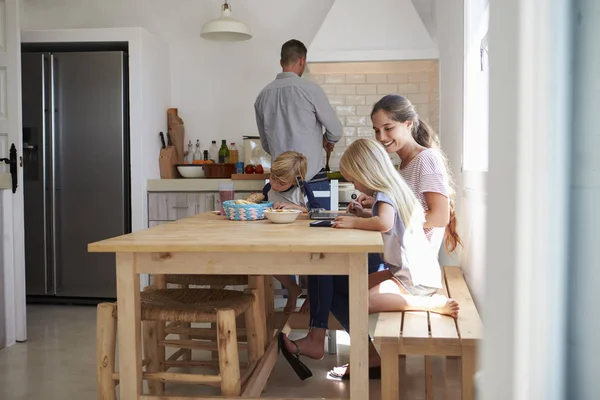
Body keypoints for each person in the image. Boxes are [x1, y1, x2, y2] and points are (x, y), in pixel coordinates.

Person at [280, 139, 458, 379]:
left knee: (360, 301)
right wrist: (364, 214)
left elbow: (384, 223)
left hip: (412, 278)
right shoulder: (393, 189)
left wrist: (355, 222)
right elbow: (390, 221)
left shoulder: (386, 193)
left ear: (366, 172)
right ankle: (367, 353)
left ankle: (428, 305)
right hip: (406, 271)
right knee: (341, 286)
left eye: (353, 179)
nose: (354, 184)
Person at [361, 94, 462, 255]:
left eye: (388, 128)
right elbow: (412, 207)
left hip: (417, 266)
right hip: (402, 257)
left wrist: (390, 220)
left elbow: (440, 217)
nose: (381, 137)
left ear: (408, 124)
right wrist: (375, 205)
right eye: (377, 130)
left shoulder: (426, 159)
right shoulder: (405, 163)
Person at [254, 39, 343, 207]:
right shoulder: (310, 90)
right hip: (312, 181)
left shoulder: (262, 96)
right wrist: (326, 140)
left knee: (279, 231)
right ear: (302, 60)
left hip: (280, 185)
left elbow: (266, 145)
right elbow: (336, 131)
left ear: (281, 62)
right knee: (317, 228)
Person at [263, 151, 313, 314]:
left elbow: (316, 211)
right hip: (274, 239)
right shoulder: (268, 188)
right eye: (273, 178)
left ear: (295, 180)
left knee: (308, 268)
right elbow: (262, 207)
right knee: (267, 262)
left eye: (281, 183)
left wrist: (296, 207)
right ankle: (292, 289)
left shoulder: (302, 190)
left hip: (300, 241)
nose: (275, 185)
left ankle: (312, 296)